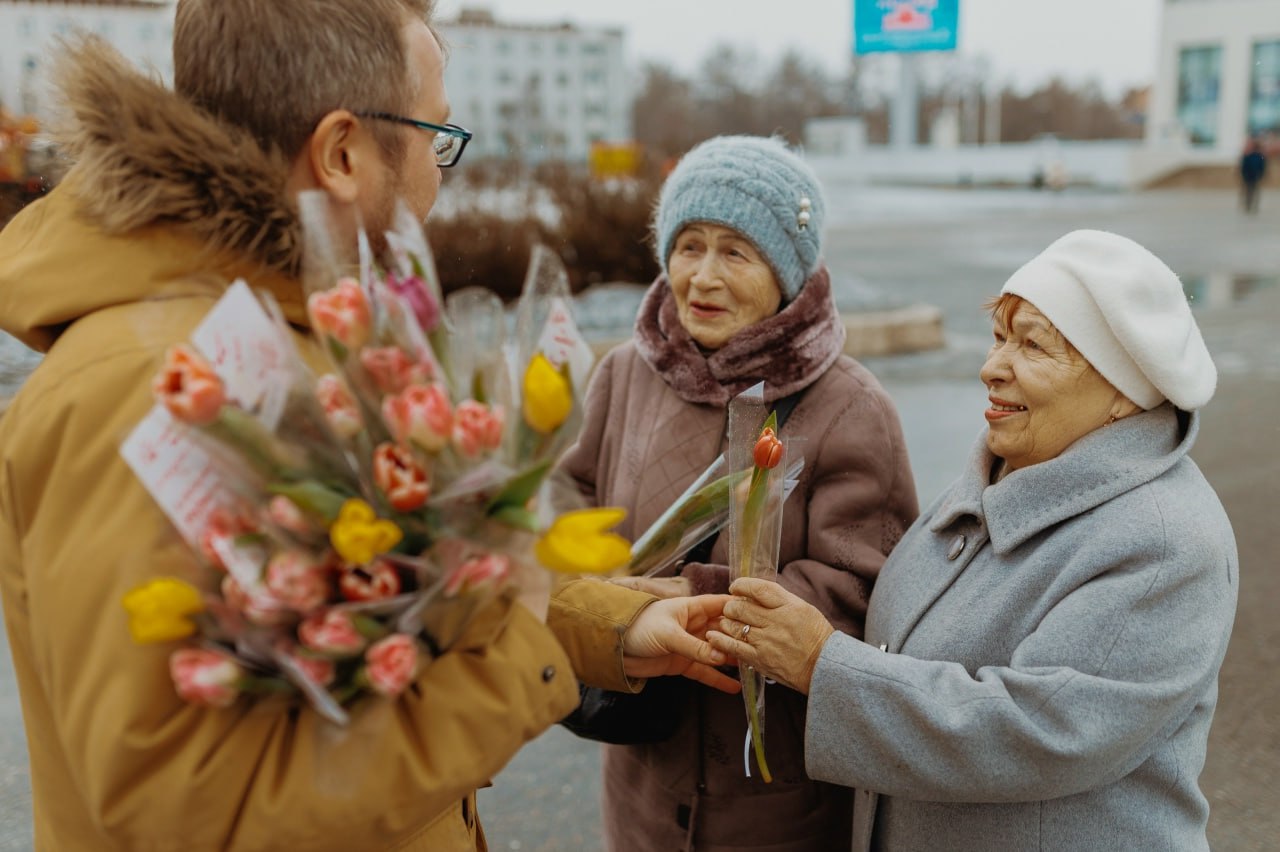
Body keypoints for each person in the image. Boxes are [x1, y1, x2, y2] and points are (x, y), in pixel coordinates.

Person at [0, 3, 734, 850]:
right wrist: (524, 658)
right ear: (343, 153)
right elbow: (198, 812)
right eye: (435, 134)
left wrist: (602, 623)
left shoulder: (300, 328)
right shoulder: (150, 390)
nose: (439, 169)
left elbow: (385, 594)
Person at [711, 229, 1239, 851]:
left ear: (1123, 388)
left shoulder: (1165, 543)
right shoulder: (999, 477)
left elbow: (1038, 731)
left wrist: (821, 665)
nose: (992, 367)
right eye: (999, 336)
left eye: (1033, 345)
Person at [559, 135, 920, 851]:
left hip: (775, 790)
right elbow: (570, 498)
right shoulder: (626, 374)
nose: (703, 277)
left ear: (785, 271)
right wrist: (599, 592)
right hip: (643, 777)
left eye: (736, 252)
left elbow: (865, 591)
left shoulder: (851, 407)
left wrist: (694, 598)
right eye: (688, 245)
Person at [1240, 136, 1267, 214]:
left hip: (1256, 176)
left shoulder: (1260, 156)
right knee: (1248, 191)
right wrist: (1243, 174)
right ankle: (1247, 205)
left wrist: (1261, 174)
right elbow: (1244, 166)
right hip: (1248, 176)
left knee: (1255, 191)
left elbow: (1262, 166)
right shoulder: (1247, 155)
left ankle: (1254, 206)